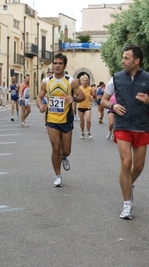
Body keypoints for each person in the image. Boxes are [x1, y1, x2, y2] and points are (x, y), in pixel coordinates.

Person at [101, 44, 149, 220]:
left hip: (141, 126)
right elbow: (103, 100)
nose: (123, 61)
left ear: (137, 61)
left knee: (138, 166)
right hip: (122, 126)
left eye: (126, 58)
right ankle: (127, 204)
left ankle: (128, 184)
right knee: (126, 163)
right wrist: (113, 106)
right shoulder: (116, 78)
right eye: (123, 57)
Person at [36, 53, 85, 187]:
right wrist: (40, 105)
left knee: (66, 150)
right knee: (55, 147)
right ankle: (58, 176)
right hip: (51, 119)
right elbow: (39, 97)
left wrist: (73, 99)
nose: (57, 66)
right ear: (52, 64)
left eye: (60, 63)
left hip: (66, 119)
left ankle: (64, 157)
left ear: (64, 65)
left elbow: (81, 96)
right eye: (55, 63)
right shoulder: (46, 81)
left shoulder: (71, 81)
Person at [77, 75, 94, 139]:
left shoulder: (90, 89)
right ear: (81, 81)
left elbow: (92, 95)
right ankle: (82, 133)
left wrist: (92, 97)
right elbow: (76, 96)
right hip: (80, 106)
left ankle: (88, 132)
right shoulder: (79, 89)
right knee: (82, 120)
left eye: (86, 80)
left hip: (88, 106)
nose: (85, 82)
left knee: (88, 120)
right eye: (84, 80)